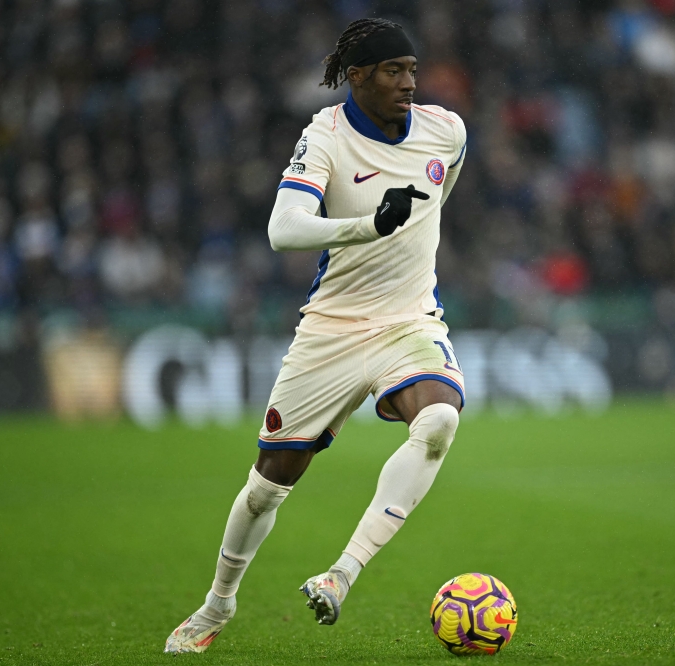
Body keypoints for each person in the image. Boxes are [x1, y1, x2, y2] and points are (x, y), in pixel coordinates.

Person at [165, 18, 468, 653]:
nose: (409, 83)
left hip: (409, 321)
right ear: (357, 77)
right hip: (330, 329)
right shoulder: (324, 133)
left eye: (413, 69)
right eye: (393, 71)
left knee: (439, 419)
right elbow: (284, 228)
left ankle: (342, 573)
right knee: (268, 484)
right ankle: (216, 607)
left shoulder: (448, 132)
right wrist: (366, 229)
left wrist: (400, 239)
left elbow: (431, 205)